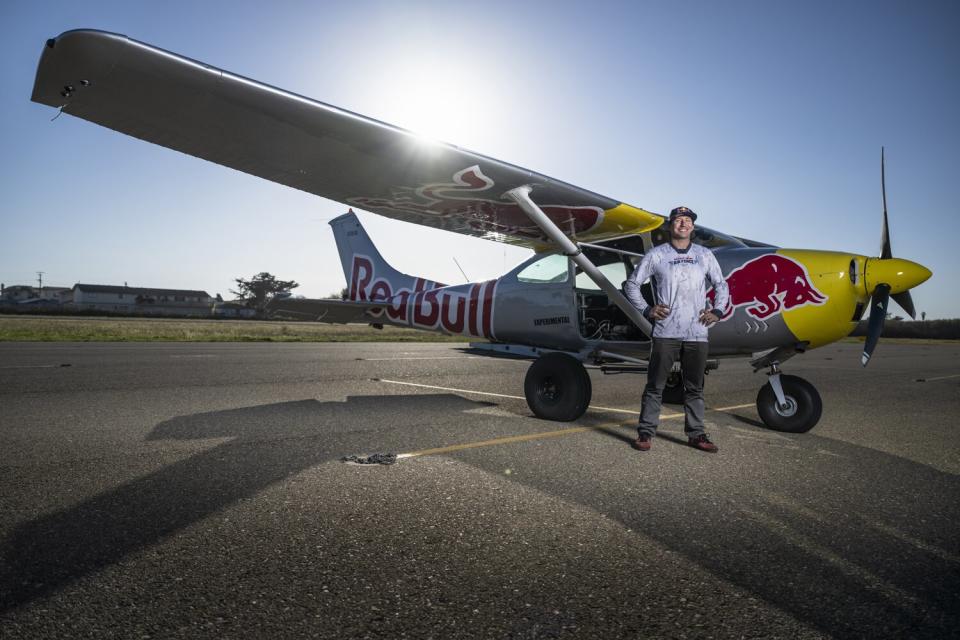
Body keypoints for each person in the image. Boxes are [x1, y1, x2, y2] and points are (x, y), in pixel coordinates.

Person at [623, 206, 729, 453]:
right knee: (655, 386)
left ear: (692, 227)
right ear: (671, 226)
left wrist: (718, 311)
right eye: (678, 220)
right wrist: (647, 309)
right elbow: (632, 285)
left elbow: (721, 285)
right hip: (665, 332)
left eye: (688, 220)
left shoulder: (704, 255)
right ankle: (645, 433)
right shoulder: (657, 255)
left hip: (697, 332)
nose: (683, 224)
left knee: (694, 388)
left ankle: (696, 434)